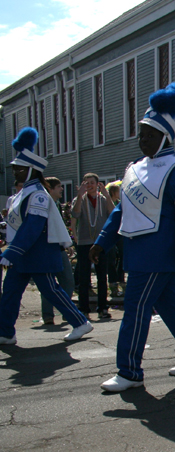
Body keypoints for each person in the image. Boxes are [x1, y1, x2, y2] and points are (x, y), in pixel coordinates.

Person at [91, 83, 175, 392]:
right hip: (139, 252)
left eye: (150, 134)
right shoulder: (133, 168)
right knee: (172, 308)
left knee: (135, 310)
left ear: (165, 136)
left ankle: (129, 372)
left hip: (159, 253)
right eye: (141, 134)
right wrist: (103, 240)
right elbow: (122, 210)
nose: (143, 140)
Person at [0, 128, 92, 345]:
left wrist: (11, 252)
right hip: (23, 253)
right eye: (14, 169)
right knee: (10, 293)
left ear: (32, 170)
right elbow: (16, 224)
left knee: (52, 291)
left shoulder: (39, 195)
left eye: (20, 169)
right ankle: (5, 332)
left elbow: (33, 227)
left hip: (38, 252)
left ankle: (80, 322)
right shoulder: (21, 195)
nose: (15, 172)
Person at [72, 173, 114, 319]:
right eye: (86, 183)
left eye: (92, 183)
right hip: (84, 242)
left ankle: (102, 307)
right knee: (84, 277)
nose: (89, 185)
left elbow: (112, 212)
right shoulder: (80, 199)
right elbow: (75, 214)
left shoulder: (102, 199)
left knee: (102, 276)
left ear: (97, 184)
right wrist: (79, 195)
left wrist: (107, 196)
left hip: (100, 243)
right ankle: (83, 308)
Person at [39, 177, 76, 326]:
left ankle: (66, 312)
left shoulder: (56, 205)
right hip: (48, 249)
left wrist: (66, 244)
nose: (62, 189)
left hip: (59, 248)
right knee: (48, 283)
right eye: (59, 187)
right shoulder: (44, 205)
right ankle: (48, 316)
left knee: (68, 281)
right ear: (50, 188)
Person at [105, 182, 126, 298]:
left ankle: (120, 277)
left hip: (120, 232)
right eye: (118, 191)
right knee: (112, 257)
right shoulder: (109, 202)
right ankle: (112, 281)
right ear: (113, 192)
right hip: (111, 233)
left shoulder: (119, 203)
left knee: (122, 254)